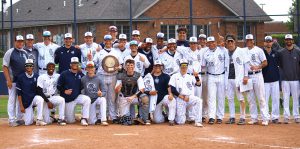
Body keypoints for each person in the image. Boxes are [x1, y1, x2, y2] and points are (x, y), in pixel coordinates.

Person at [93, 35, 123, 123]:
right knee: (102, 97)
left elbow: (121, 65)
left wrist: (119, 68)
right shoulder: (99, 52)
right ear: (104, 41)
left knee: (112, 97)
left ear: (112, 42)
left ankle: (113, 116)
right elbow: (94, 63)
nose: (108, 42)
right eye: (106, 40)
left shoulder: (116, 52)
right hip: (101, 75)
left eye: (109, 40)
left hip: (113, 75)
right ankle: (101, 116)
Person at [243, 34, 269, 126]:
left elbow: (265, 62)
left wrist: (258, 66)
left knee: (261, 97)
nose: (249, 41)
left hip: (257, 75)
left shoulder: (259, 50)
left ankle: (265, 118)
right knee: (250, 98)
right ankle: (254, 118)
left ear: (253, 40)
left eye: (250, 40)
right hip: (248, 77)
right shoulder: (243, 51)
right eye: (247, 40)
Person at [202, 36, 229, 125]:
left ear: (215, 42)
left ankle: (220, 117)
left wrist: (222, 41)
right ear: (207, 44)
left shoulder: (222, 50)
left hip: (221, 75)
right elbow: (203, 66)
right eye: (209, 42)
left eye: (213, 42)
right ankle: (212, 117)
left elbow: (227, 58)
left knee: (221, 97)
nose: (211, 44)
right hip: (211, 76)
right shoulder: (205, 53)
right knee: (211, 97)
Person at [57, 57, 91, 126]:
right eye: (73, 63)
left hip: (77, 96)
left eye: (76, 63)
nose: (75, 64)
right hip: (68, 100)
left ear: (78, 64)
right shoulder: (64, 74)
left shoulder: (80, 74)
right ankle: (71, 117)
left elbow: (87, 81)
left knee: (87, 99)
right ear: (70, 64)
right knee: (70, 121)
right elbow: (58, 86)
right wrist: (64, 91)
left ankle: (84, 118)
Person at [3, 35, 28, 126]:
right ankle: (11, 119)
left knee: (19, 99)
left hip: (22, 81)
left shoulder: (25, 52)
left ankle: (19, 118)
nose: (20, 43)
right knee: (12, 99)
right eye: (18, 41)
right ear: (15, 42)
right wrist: (8, 80)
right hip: (13, 80)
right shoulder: (10, 52)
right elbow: (5, 67)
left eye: (22, 41)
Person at [169, 59, 203, 127]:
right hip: (180, 98)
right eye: (182, 66)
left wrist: (196, 77)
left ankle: (198, 121)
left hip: (189, 97)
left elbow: (198, 84)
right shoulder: (174, 76)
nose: (184, 68)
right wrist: (181, 97)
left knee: (199, 100)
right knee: (180, 122)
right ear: (180, 66)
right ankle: (177, 115)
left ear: (187, 67)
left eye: (185, 66)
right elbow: (172, 89)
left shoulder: (190, 77)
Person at [115, 59, 150, 125]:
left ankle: (144, 118)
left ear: (134, 66)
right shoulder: (121, 75)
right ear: (125, 66)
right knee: (126, 120)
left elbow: (142, 89)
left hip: (134, 97)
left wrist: (133, 96)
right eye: (128, 65)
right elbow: (116, 90)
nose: (130, 67)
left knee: (144, 98)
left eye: (131, 65)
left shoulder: (138, 75)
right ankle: (132, 119)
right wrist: (119, 87)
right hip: (124, 97)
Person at [223, 34, 246, 125]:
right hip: (228, 79)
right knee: (230, 98)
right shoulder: (225, 51)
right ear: (226, 43)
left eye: (231, 41)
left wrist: (245, 76)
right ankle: (232, 117)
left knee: (241, 98)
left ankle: (242, 117)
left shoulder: (240, 51)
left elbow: (246, 64)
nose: (230, 43)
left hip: (238, 78)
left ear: (234, 42)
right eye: (228, 42)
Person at [277, 34, 300, 124]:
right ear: (285, 41)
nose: (288, 41)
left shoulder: (298, 51)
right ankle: (286, 116)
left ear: (293, 41)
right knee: (286, 98)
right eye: (287, 39)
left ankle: (296, 116)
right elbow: (280, 65)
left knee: (296, 98)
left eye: (290, 39)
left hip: (296, 79)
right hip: (285, 80)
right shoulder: (281, 52)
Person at [16, 59, 47, 126]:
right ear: (25, 66)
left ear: (33, 66)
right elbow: (19, 93)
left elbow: (39, 90)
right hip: (26, 101)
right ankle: (29, 116)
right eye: (27, 65)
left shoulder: (37, 76)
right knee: (28, 123)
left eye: (30, 65)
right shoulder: (20, 77)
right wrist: (21, 106)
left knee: (40, 99)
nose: (29, 67)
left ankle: (39, 119)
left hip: (34, 98)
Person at [81, 61, 108, 126]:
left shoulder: (99, 78)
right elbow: (81, 90)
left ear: (94, 69)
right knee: (91, 122)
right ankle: (94, 119)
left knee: (103, 100)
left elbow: (104, 91)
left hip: (96, 99)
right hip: (89, 101)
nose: (90, 69)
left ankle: (103, 120)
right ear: (86, 69)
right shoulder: (83, 79)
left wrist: (101, 94)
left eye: (92, 67)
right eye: (89, 67)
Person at [150, 60, 176, 126]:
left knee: (172, 100)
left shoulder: (166, 76)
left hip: (164, 97)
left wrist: (170, 94)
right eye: (156, 66)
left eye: (159, 66)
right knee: (157, 121)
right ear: (154, 67)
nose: (157, 67)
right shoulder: (150, 77)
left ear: (162, 67)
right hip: (155, 100)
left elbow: (169, 86)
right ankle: (164, 115)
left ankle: (171, 119)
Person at [262, 36, 281, 124]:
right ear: (264, 43)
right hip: (265, 80)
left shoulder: (276, 53)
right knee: (265, 99)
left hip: (275, 80)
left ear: (272, 43)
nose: (268, 43)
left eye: (270, 41)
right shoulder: (261, 53)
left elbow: (279, 65)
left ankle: (275, 117)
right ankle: (265, 116)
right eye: (267, 41)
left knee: (275, 99)